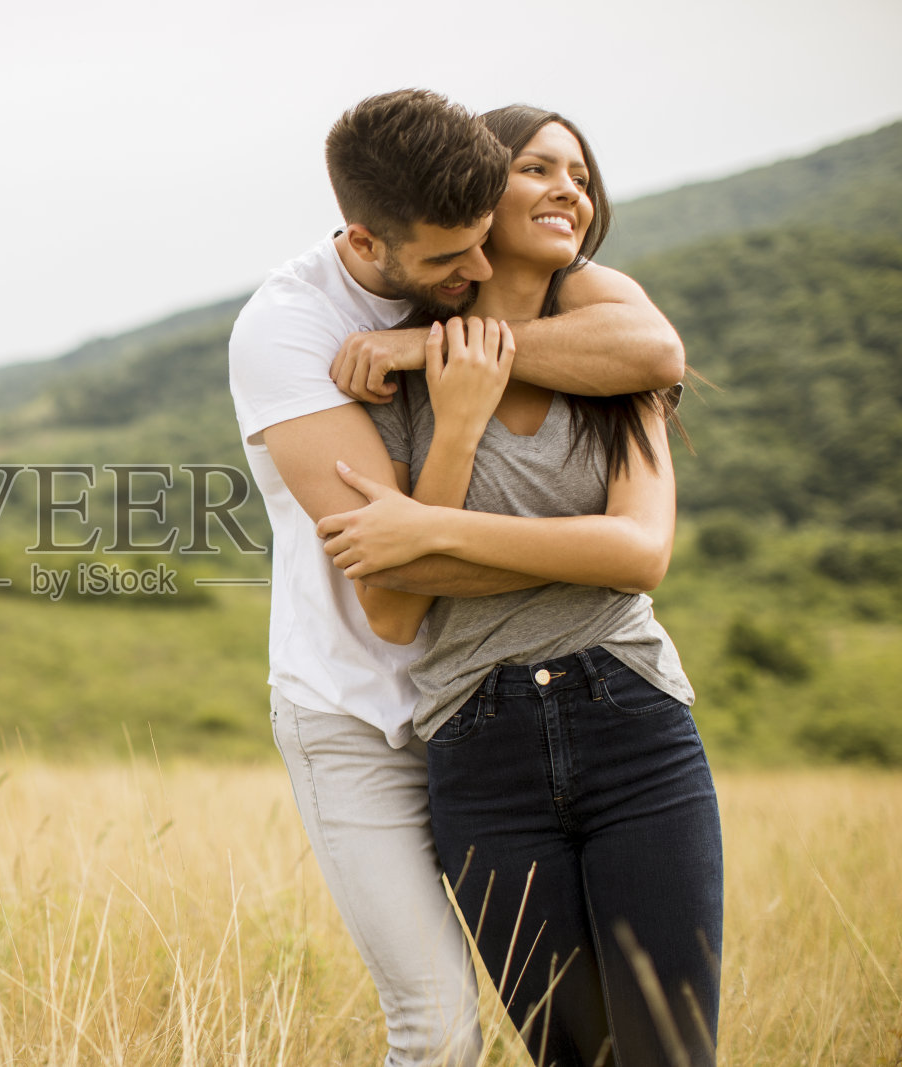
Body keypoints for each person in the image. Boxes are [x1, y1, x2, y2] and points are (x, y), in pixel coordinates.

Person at [227, 89, 686, 1066]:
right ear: (367, 243)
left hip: (487, 703)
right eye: (450, 261)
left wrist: (430, 344)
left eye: (482, 242)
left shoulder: (466, 303)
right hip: (357, 705)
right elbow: (394, 597)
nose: (474, 271)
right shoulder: (295, 333)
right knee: (438, 1030)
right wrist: (459, 417)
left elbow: (655, 357)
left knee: (645, 1034)